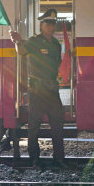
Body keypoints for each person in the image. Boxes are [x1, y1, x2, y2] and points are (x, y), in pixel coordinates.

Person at [9, 9, 66, 169]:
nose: (51, 27)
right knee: (34, 126)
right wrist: (17, 42)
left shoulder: (56, 43)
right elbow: (21, 51)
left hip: (52, 89)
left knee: (57, 126)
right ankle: (34, 159)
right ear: (41, 25)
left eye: (53, 24)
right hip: (37, 90)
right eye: (48, 24)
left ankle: (59, 159)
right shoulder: (34, 41)